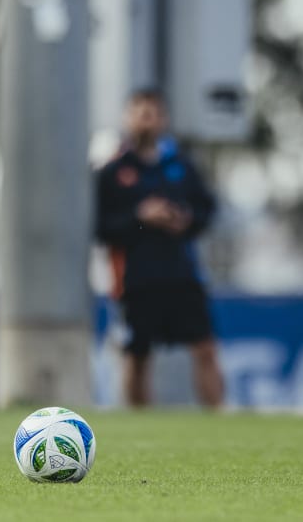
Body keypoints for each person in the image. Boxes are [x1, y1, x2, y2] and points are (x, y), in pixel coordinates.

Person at [95, 87, 224, 409]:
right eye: (139, 113)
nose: (145, 121)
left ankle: (220, 418)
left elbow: (207, 209)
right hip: (137, 281)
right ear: (128, 118)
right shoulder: (112, 172)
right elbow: (101, 228)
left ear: (162, 120)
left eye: (151, 114)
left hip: (182, 275)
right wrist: (140, 217)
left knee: (205, 348)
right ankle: (140, 423)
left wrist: (185, 219)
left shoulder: (181, 166)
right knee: (137, 355)